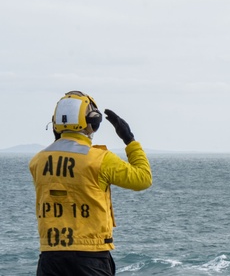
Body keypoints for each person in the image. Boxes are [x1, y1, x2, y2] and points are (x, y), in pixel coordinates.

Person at [29, 91, 152, 276]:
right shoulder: (99, 159)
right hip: (90, 256)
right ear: (92, 123)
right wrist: (129, 140)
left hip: (50, 255)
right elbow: (143, 179)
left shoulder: (37, 161)